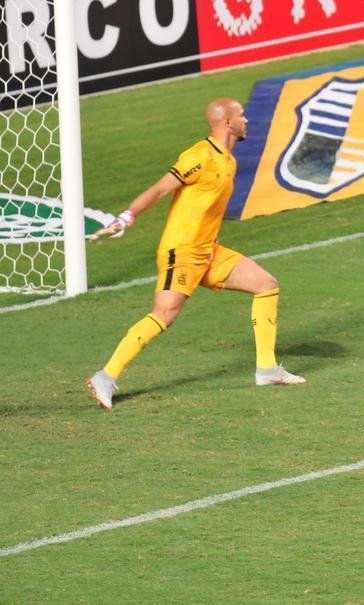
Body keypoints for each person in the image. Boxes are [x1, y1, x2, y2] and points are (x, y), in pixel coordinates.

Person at [86, 98, 304, 410]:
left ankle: (267, 370)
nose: (246, 120)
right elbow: (161, 188)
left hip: (207, 251)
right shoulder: (199, 156)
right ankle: (105, 377)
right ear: (228, 122)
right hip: (183, 251)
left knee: (266, 284)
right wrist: (126, 217)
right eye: (241, 115)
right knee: (164, 314)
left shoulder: (228, 161)